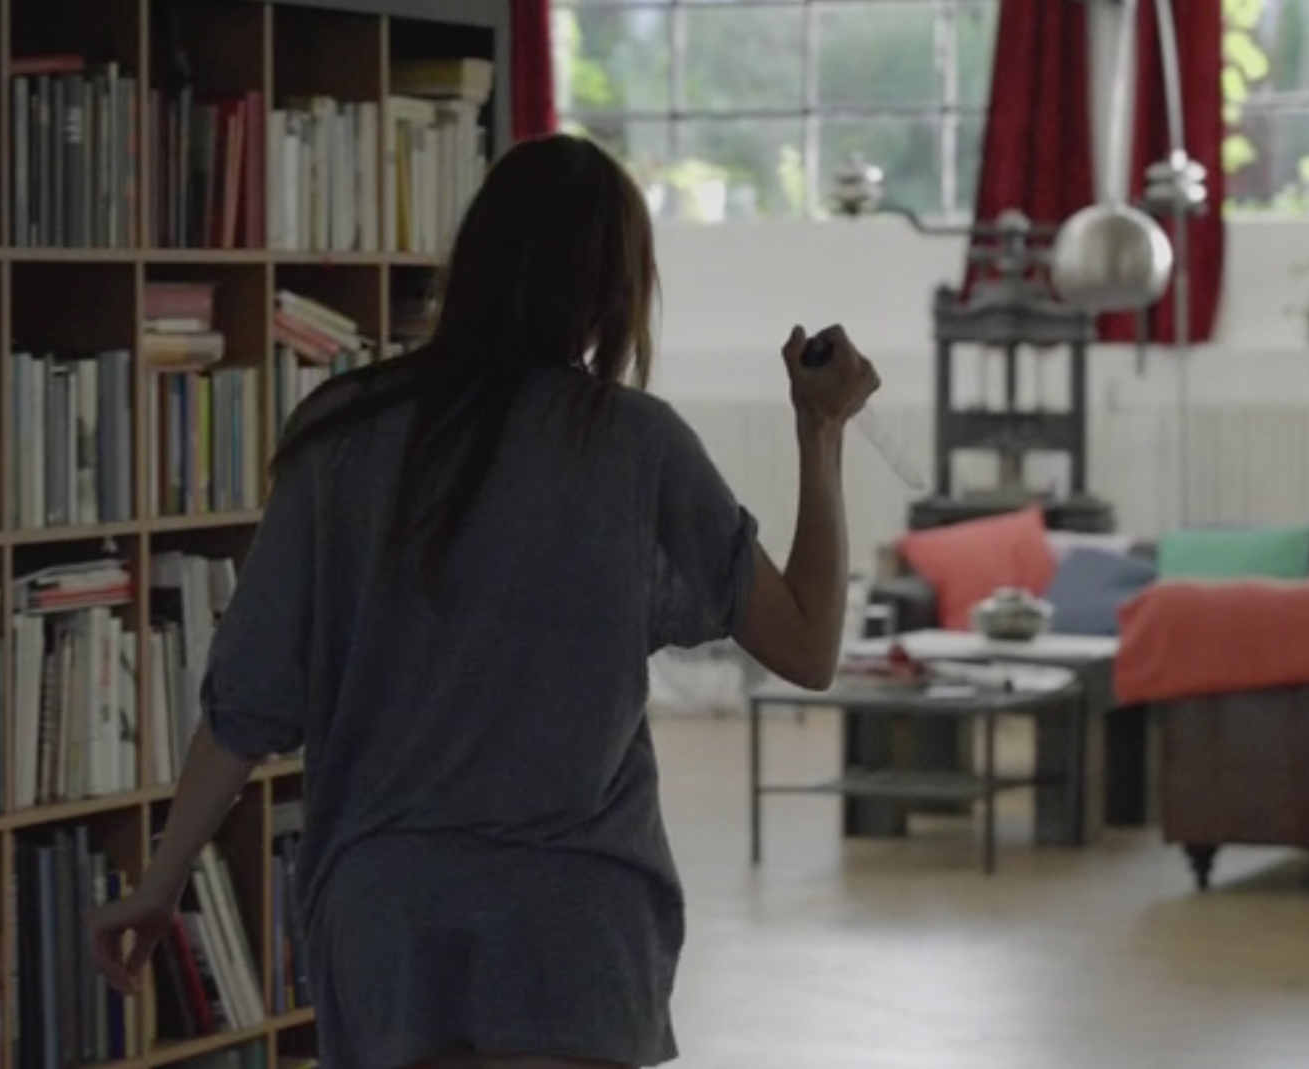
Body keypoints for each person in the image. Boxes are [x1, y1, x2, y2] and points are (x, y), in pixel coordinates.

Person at [87, 133, 881, 1069]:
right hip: (570, 923)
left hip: (387, 916)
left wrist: (160, 882)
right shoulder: (634, 444)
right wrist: (820, 428)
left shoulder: (338, 432)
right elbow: (807, 647)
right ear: (615, 287)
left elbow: (249, 700)